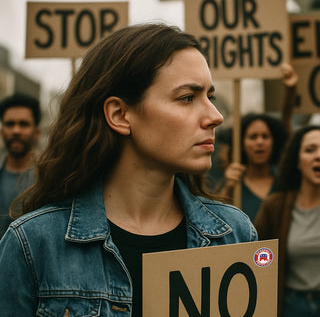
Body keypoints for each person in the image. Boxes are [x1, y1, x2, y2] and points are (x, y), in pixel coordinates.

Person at [0, 23, 257, 316]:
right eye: (187, 97)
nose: (216, 116)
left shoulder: (235, 234)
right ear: (120, 115)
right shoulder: (34, 244)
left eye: (209, 97)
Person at [216, 63, 298, 222]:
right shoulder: (235, 182)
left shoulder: (284, 179)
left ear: (274, 142)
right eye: (253, 137)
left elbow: (286, 123)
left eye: (265, 136)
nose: (259, 142)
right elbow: (217, 218)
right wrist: (228, 187)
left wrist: (290, 90)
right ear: (242, 144)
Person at [254, 125, 320, 317]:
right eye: (310, 150)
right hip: (291, 307)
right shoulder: (275, 206)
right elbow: (256, 257)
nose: (318, 155)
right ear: (297, 161)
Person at [0, 93, 41, 238]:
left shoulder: (49, 180)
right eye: (9, 124)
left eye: (23, 124)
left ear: (37, 132)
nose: (16, 131)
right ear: (2, 131)